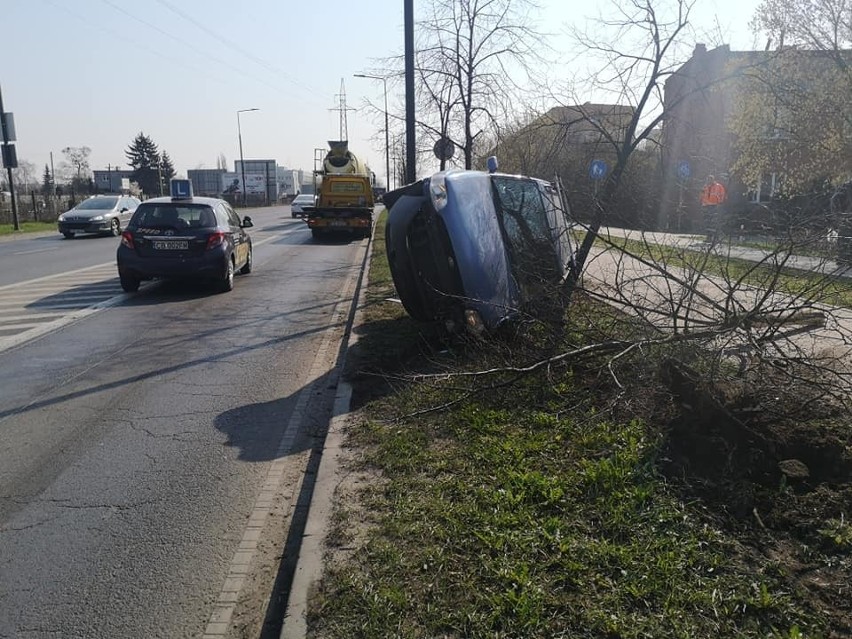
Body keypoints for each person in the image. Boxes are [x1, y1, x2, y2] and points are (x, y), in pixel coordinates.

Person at [700, 175, 727, 242]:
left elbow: (722, 195)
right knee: (707, 223)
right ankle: (709, 237)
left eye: (710, 179)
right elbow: (702, 196)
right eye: (708, 180)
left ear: (713, 180)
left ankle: (716, 237)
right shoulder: (705, 187)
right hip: (706, 206)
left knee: (714, 222)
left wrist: (720, 203)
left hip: (715, 206)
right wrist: (703, 204)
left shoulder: (718, 186)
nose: (709, 181)